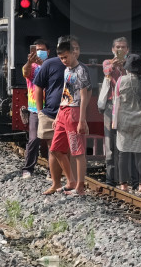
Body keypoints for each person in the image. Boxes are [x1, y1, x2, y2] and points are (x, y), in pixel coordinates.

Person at [48, 36, 92, 195]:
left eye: (65, 57)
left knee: (77, 151)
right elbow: (65, 92)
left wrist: (82, 119)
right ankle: (71, 180)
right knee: (56, 149)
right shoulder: (66, 70)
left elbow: (84, 93)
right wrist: (59, 112)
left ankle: (80, 187)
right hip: (64, 110)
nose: (63, 61)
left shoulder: (81, 70)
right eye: (61, 58)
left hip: (74, 111)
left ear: (73, 54)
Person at [32, 36, 74, 195]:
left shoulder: (78, 67)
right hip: (50, 112)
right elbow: (38, 85)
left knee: (66, 149)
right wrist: (39, 110)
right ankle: (56, 183)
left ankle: (70, 183)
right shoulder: (50, 64)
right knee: (52, 148)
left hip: (68, 113)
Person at [110, 53, 141, 193]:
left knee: (123, 153)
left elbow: (116, 102)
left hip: (124, 122)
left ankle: (123, 185)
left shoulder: (121, 81)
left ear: (127, 68)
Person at [98, 37, 129, 186]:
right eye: (118, 47)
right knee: (110, 141)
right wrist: (115, 65)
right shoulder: (107, 62)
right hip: (111, 106)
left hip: (126, 106)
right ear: (113, 49)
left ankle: (124, 177)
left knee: (125, 141)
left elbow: (131, 79)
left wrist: (123, 67)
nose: (120, 50)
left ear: (127, 50)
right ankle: (110, 177)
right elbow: (106, 71)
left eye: (123, 47)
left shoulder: (130, 64)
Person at [21, 40, 51, 179]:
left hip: (50, 108)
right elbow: (25, 72)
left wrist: (42, 64)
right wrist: (29, 62)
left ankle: (52, 170)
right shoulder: (31, 67)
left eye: (42, 49)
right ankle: (28, 168)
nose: (39, 52)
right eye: (37, 49)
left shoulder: (51, 66)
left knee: (52, 142)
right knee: (33, 139)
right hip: (34, 109)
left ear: (48, 52)